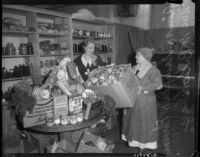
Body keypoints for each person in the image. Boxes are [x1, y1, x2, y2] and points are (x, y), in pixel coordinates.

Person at [121, 47, 163, 153]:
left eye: (138, 55)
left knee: (144, 125)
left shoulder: (153, 70)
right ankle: (135, 143)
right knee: (133, 123)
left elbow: (159, 85)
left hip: (145, 104)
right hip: (132, 101)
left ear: (145, 57)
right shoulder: (134, 67)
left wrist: (143, 88)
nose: (135, 56)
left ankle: (143, 147)